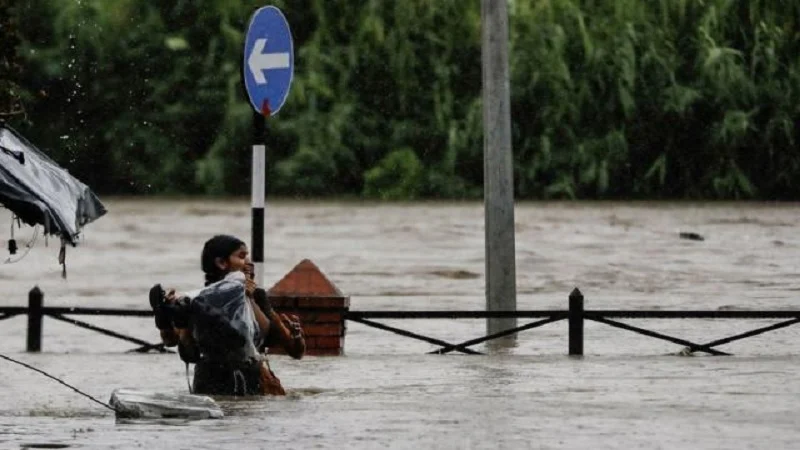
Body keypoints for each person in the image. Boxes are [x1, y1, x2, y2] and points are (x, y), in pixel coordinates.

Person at [149, 234, 305, 396]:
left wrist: (249, 298)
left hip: (245, 379)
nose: (249, 262)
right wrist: (169, 317)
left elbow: (294, 350)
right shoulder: (198, 301)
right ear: (221, 263)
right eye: (242, 256)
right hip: (215, 379)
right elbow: (172, 342)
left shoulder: (255, 296)